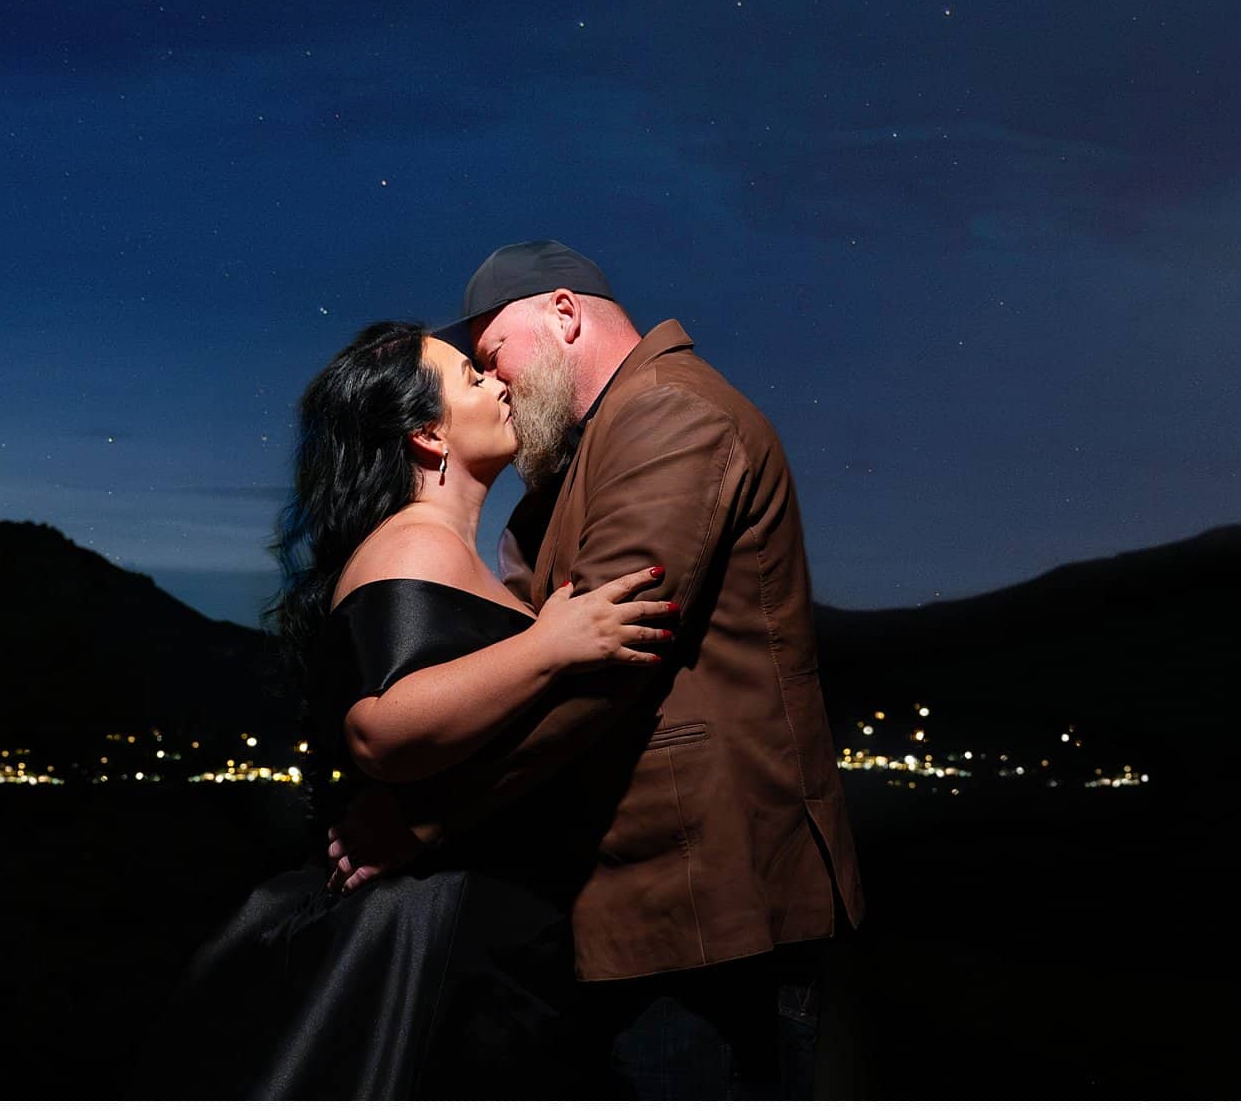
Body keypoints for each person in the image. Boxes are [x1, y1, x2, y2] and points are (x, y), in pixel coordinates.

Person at [325, 241, 868, 1099]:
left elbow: (611, 665)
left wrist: (428, 823)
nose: (496, 378)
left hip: (703, 907)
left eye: (493, 352)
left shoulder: (667, 414)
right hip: (642, 916)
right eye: (476, 372)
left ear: (565, 314)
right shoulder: (587, 453)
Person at [135, 319, 675, 1098]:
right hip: (431, 944)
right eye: (470, 376)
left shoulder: (443, 553)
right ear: (428, 433)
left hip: (478, 932)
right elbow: (381, 728)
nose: (500, 382)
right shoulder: (414, 543)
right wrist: (550, 644)